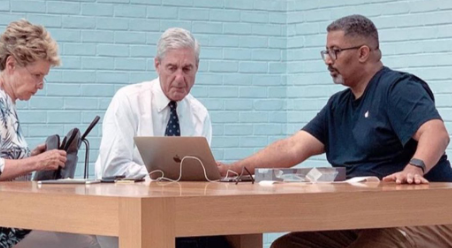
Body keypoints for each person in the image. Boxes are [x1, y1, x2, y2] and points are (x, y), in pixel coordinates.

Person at [218, 14, 452, 248]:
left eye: (335, 51)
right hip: (366, 217)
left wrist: (414, 169)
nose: (328, 60)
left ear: (362, 53)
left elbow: (436, 133)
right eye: (326, 52)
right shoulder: (337, 106)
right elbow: (292, 147)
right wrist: (232, 169)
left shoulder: (398, 88)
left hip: (424, 216)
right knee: (287, 246)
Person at [95, 28, 229, 248]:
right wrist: (164, 175)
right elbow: (113, 167)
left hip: (181, 219)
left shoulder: (199, 114)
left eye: (187, 69)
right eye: (172, 68)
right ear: (157, 65)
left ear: (197, 68)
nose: (179, 78)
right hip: (127, 215)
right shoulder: (128, 101)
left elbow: (197, 178)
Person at [0, 19, 100, 248]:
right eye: (37, 75)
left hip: (12, 218)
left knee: (82, 233)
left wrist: (30, 159)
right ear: (11, 64)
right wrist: (36, 162)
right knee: (85, 242)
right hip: (5, 228)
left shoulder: (8, 104)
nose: (41, 85)